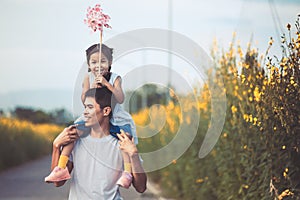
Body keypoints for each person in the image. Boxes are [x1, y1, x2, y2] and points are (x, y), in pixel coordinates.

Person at [45, 44, 137, 188]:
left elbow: (120, 98)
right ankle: (61, 168)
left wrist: (107, 84)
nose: (98, 65)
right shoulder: (88, 78)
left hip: (115, 119)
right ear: (88, 64)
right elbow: (84, 99)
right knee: (72, 133)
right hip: (95, 117)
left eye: (103, 61)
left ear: (110, 63)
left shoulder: (115, 78)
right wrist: (93, 89)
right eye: (94, 62)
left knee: (126, 138)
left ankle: (127, 173)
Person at [47, 88, 147, 199]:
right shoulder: (75, 141)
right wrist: (56, 146)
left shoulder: (122, 143)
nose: (85, 112)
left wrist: (134, 154)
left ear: (106, 111)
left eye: (90, 107)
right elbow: (58, 182)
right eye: (85, 107)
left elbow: (141, 187)